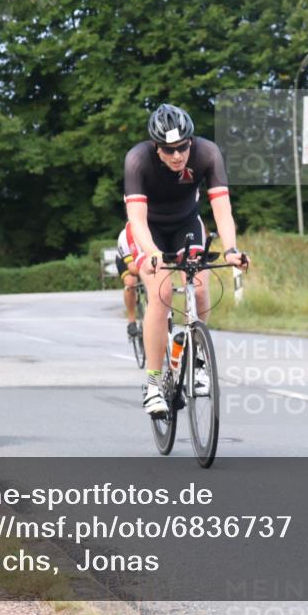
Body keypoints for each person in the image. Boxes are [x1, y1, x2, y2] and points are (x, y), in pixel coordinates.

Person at [124, 103, 249, 417]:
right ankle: (153, 385)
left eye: (182, 147)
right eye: (169, 150)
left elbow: (222, 209)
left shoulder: (207, 153)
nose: (177, 155)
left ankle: (197, 361)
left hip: (186, 225)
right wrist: (152, 254)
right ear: (157, 148)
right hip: (148, 230)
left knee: (201, 286)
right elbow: (137, 220)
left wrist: (232, 249)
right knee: (162, 293)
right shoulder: (138, 160)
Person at [115, 222, 142, 337]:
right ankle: (131, 319)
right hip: (127, 260)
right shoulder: (125, 236)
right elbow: (133, 269)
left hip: (145, 258)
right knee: (131, 283)